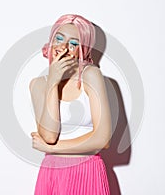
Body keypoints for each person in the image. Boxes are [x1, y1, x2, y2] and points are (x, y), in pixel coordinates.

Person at [29, 14, 111, 195]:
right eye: (59, 39)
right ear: (51, 42)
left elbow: (103, 140)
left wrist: (54, 149)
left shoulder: (91, 76)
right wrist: (52, 81)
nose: (64, 48)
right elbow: (49, 136)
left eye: (74, 44)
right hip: (52, 173)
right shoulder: (38, 84)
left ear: (83, 50)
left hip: (87, 171)